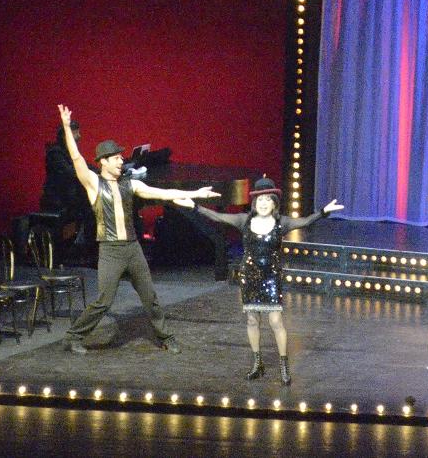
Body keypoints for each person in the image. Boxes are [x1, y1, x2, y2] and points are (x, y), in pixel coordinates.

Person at [57, 104, 221, 355]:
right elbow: (76, 157)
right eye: (116, 158)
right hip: (110, 250)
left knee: (149, 297)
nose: (121, 160)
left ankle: (166, 337)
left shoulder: (130, 184)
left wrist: (196, 193)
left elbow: (163, 193)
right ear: (103, 162)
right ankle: (73, 337)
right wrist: (67, 127)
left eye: (121, 157)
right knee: (103, 301)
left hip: (133, 248)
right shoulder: (93, 183)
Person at [173, 177, 343, 385]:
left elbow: (305, 221)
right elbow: (218, 217)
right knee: (252, 320)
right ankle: (257, 363)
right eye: (260, 200)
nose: (263, 203)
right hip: (250, 276)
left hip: (271, 277)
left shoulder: (282, 223)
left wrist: (324, 212)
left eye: (267, 199)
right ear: (255, 203)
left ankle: (284, 366)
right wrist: (194, 207)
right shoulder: (244, 220)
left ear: (274, 203)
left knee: (276, 321)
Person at [39, 119, 92, 258]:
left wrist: (101, 171)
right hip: (59, 199)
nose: (79, 136)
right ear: (66, 135)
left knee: (93, 206)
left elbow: (85, 166)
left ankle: (85, 246)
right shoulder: (55, 153)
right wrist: (91, 175)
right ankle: (88, 250)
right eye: (76, 133)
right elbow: (71, 173)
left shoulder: (69, 152)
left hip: (70, 197)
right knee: (92, 209)